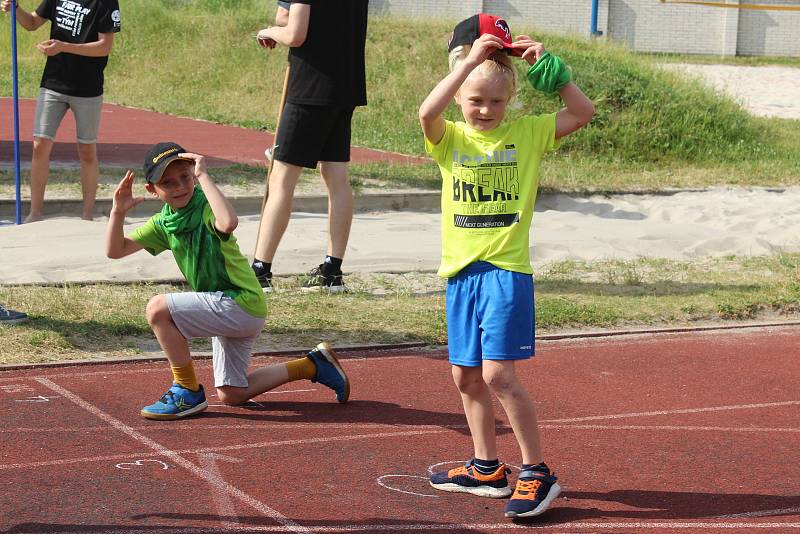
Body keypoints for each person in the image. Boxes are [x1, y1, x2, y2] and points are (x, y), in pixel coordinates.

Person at [418, 14, 595, 519]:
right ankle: (486, 467)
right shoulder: (450, 138)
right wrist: (470, 63)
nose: (485, 109)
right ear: (459, 97)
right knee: (465, 376)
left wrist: (554, 72)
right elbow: (426, 112)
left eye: (496, 101)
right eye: (475, 100)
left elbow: (582, 112)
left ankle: (537, 471)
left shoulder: (531, 133)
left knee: (498, 374)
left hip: (504, 273)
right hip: (460, 274)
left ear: (511, 100)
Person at [105, 142, 350, 420]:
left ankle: (186, 389)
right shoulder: (164, 222)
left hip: (240, 303)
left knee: (157, 308)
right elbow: (116, 251)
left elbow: (228, 221)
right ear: (152, 190)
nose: (180, 187)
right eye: (168, 183)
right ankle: (312, 365)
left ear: (193, 174)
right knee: (232, 393)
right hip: (222, 308)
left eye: (185, 177)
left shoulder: (205, 206)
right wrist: (117, 212)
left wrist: (204, 176)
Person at [251, 0, 369, 292]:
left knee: (282, 178)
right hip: (345, 84)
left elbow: (295, 34)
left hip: (310, 87)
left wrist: (269, 31)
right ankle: (332, 270)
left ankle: (260, 271)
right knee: (336, 177)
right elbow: (289, 14)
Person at [1, 0, 121, 223]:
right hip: (53, 83)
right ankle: (35, 213)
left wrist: (64, 46)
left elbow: (104, 46)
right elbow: (32, 23)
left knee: (87, 150)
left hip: (88, 88)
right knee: (40, 145)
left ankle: (87, 215)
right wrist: (15, 9)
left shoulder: (106, 2)